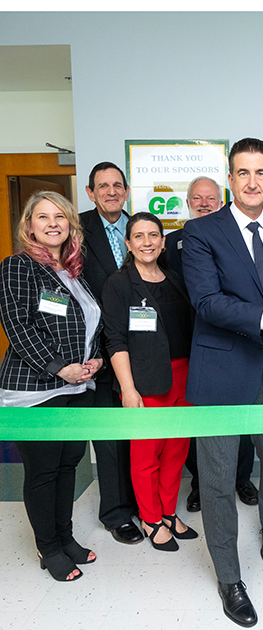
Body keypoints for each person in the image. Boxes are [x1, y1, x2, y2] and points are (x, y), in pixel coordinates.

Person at [181, 138, 263, 628]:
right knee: (216, 480)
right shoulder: (200, 233)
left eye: (261, 173)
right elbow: (207, 302)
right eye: (243, 172)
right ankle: (229, 577)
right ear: (229, 180)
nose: (252, 181)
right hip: (219, 372)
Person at [0, 191, 103, 581]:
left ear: (70, 225)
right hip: (37, 389)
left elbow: (91, 325)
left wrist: (96, 360)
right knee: (43, 472)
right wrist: (61, 368)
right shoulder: (17, 267)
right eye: (43, 217)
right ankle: (49, 548)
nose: (53, 223)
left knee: (67, 466)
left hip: (78, 387)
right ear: (29, 226)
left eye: (60, 216)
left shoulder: (73, 272)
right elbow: (18, 327)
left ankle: (65, 537)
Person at [102, 212, 197, 552]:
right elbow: (115, 340)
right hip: (144, 382)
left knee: (175, 452)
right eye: (138, 236)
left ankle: (169, 512)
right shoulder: (119, 283)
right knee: (145, 457)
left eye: (153, 235)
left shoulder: (173, 278)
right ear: (128, 243)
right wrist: (128, 388)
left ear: (163, 241)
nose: (147, 242)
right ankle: (150, 518)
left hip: (183, 378)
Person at [165, 176, 258, 514]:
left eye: (210, 198)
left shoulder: (237, 239)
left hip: (234, 340)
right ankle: (202, 483)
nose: (203, 203)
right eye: (196, 198)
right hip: (190, 341)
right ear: (188, 203)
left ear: (221, 200)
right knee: (200, 424)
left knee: (242, 417)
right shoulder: (170, 243)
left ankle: (242, 478)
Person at [79, 161, 142, 545]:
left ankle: (140, 503)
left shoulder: (141, 228)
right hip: (100, 351)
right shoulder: (76, 231)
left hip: (142, 348)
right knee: (109, 435)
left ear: (127, 189)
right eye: (103, 186)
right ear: (91, 192)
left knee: (138, 431)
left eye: (117, 185)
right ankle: (116, 513)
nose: (111, 192)